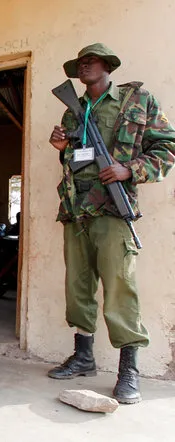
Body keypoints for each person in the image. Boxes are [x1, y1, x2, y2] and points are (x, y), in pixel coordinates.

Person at [48, 43, 175, 404]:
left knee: (120, 290)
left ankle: (128, 370)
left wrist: (128, 169)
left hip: (113, 210)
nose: (85, 64)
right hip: (76, 209)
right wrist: (62, 147)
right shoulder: (74, 109)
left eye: (93, 59)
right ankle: (84, 356)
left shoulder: (138, 101)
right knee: (78, 286)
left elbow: (167, 148)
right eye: (80, 61)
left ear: (108, 65)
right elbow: (76, 157)